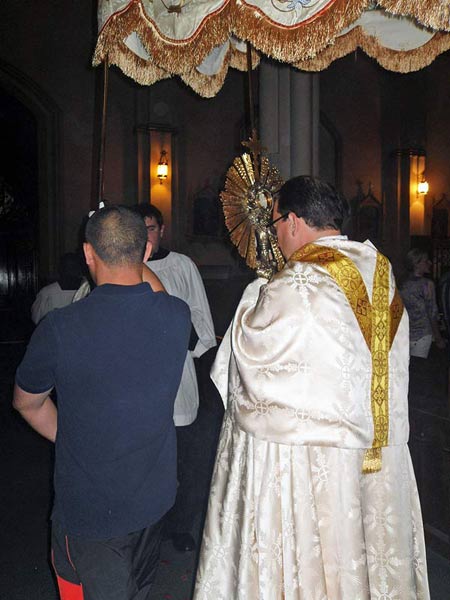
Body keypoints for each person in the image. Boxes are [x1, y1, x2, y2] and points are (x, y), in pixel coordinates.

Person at [194, 176, 429, 599]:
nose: (276, 235)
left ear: (294, 221)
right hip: (378, 451)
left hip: (311, 460)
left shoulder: (296, 282)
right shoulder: (380, 272)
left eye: (276, 223)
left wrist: (255, 294)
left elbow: (251, 357)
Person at [13, 206, 190, 600]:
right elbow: (156, 292)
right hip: (154, 501)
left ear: (87, 253)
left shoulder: (59, 328)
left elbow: (26, 403)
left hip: (91, 513)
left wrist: (69, 436)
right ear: (147, 251)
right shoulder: (176, 316)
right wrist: (137, 256)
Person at [134, 203, 217, 553]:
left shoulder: (181, 266)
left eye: (150, 229)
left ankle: (180, 525)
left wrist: (177, 330)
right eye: (138, 230)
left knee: (183, 459)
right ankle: (146, 528)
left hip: (177, 376)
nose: (145, 237)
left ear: (162, 230)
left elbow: (201, 320)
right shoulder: (118, 264)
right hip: (135, 380)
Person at [400, 248, 445, 358]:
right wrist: (438, 338)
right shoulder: (426, 285)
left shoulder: (401, 283)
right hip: (422, 334)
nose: (430, 263)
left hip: (404, 334)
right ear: (416, 264)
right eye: (426, 261)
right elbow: (432, 312)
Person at [31, 252, 83, 324]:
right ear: (61, 269)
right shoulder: (46, 293)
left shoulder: (86, 291)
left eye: (73, 267)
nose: (71, 271)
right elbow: (36, 319)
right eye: (68, 267)